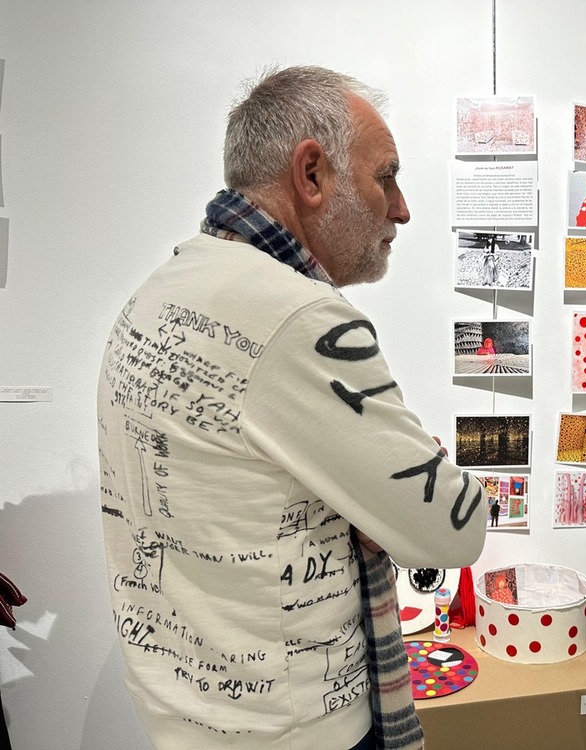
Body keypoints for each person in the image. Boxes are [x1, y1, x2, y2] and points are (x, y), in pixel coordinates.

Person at [97, 66, 486, 750]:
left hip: (183, 716)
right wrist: (393, 488)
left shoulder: (158, 293)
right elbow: (455, 529)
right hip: (301, 731)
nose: (400, 209)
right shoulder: (300, 318)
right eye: (386, 177)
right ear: (312, 174)